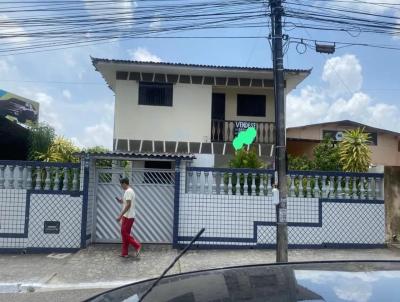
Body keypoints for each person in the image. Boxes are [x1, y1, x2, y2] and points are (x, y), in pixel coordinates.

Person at [116, 177, 142, 258]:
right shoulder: (128, 191)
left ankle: (137, 246)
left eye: (121, 184)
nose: (121, 186)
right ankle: (124, 253)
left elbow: (128, 205)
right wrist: (120, 200)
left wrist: (120, 216)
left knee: (124, 233)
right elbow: (125, 202)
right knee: (125, 234)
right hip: (127, 216)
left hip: (128, 216)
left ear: (124, 183)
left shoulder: (128, 191)